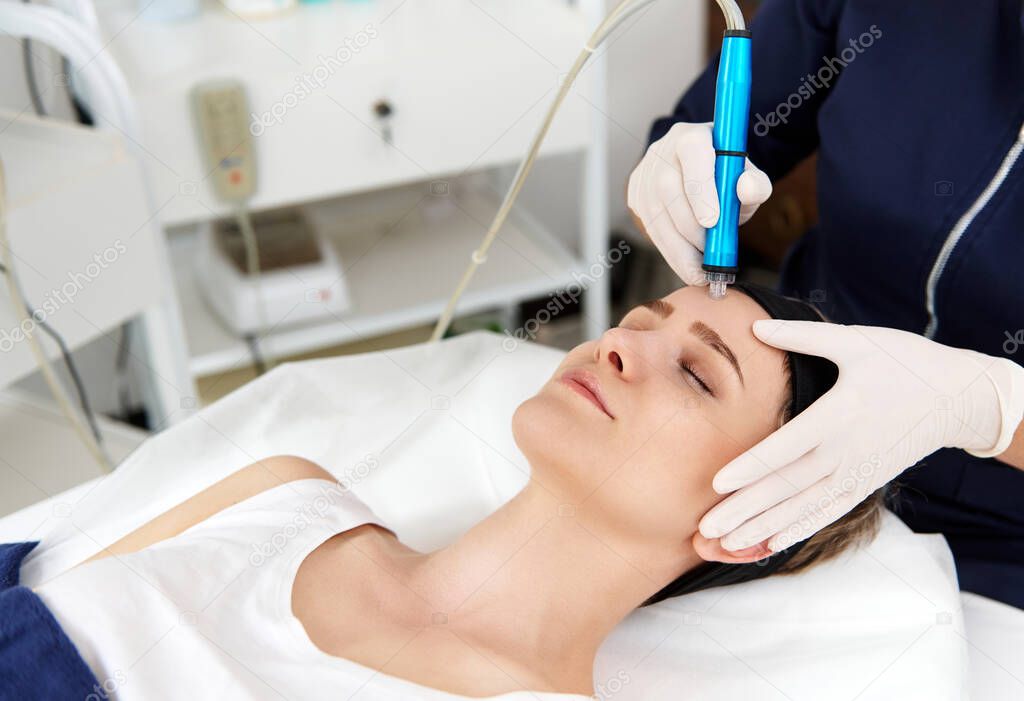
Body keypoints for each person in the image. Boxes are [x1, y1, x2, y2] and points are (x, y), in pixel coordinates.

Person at [3, 285, 880, 700]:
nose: (616, 345)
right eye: (638, 320)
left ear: (750, 518)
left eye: (694, 373)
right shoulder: (286, 493)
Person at [627, 0, 1024, 609]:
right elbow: (712, 142)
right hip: (780, 432)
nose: (617, 348)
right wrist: (677, 185)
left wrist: (980, 405)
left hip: (1001, 532)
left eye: (697, 374)